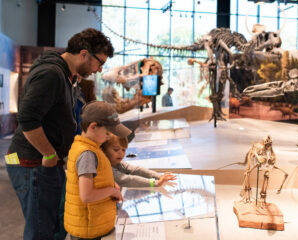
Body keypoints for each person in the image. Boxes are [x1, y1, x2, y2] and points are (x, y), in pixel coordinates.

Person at [5, 28, 114, 240]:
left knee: (53, 221)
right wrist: (48, 154)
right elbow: (27, 119)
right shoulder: (51, 74)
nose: (100, 70)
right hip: (29, 162)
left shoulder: (66, 73)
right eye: (99, 63)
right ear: (84, 54)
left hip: (42, 162)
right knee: (40, 227)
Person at [64, 101, 131, 240]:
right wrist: (112, 191)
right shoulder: (87, 154)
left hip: (93, 225)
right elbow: (86, 195)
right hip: (88, 230)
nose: (108, 138)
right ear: (93, 127)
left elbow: (96, 180)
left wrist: (111, 186)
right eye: (107, 133)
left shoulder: (86, 147)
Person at [101, 134, 176, 187]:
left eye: (123, 150)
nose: (121, 153)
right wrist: (155, 183)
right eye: (116, 150)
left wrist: (159, 176)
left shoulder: (117, 162)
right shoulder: (106, 168)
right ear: (104, 150)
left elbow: (136, 170)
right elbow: (127, 180)